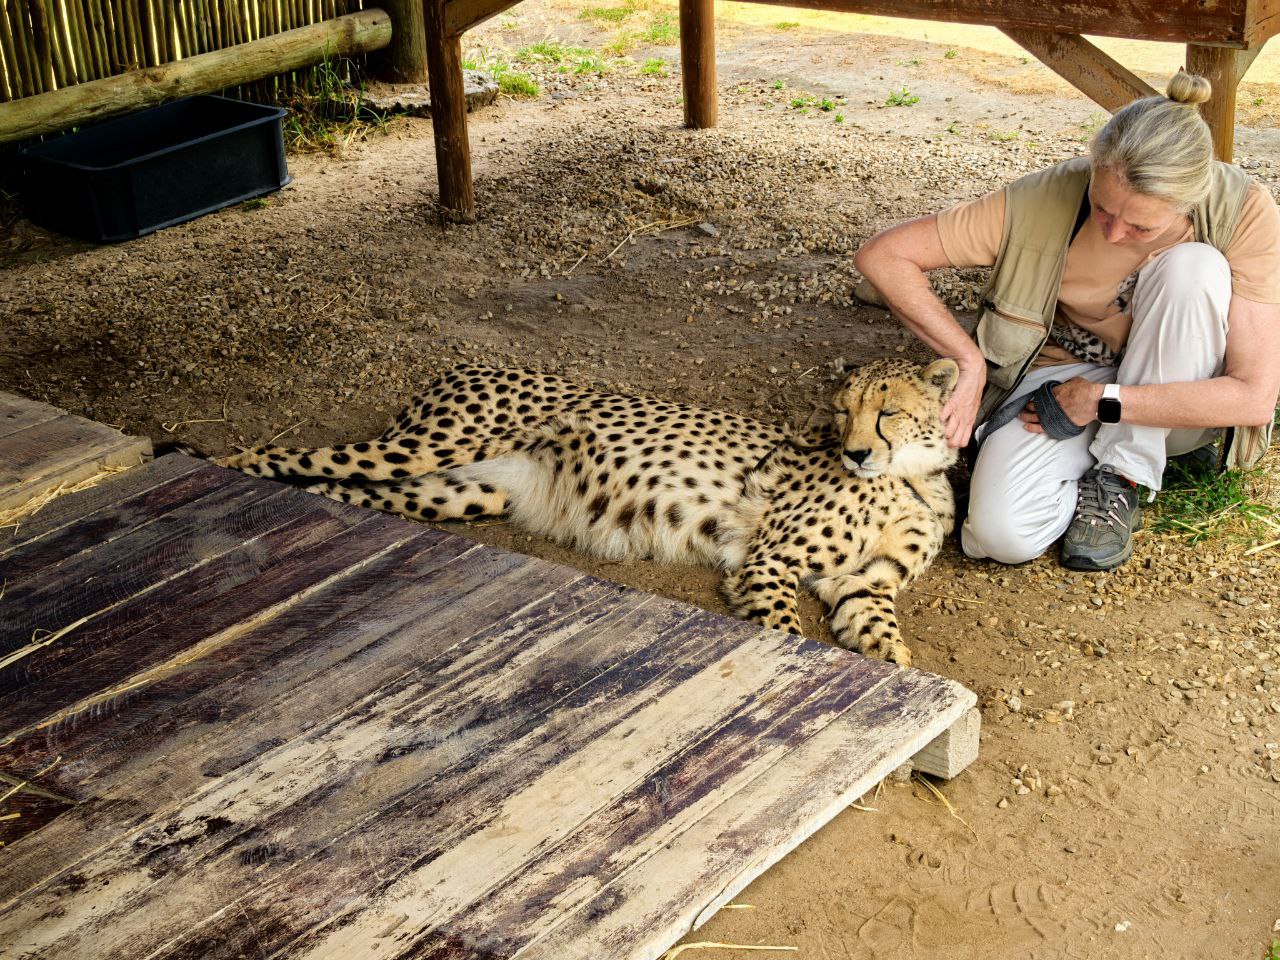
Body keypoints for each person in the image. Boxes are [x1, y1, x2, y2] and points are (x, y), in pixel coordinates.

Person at [853, 71, 1280, 572]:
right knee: (1001, 536)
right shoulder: (1047, 196)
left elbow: (1253, 397)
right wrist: (967, 361)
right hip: (1062, 385)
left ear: (1192, 198)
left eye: (1141, 225)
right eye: (1101, 208)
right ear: (1093, 168)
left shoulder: (1243, 209)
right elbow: (884, 257)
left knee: (1195, 267)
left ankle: (1122, 476)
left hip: (1176, 401)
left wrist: (1103, 402)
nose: (1115, 234)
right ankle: (1094, 461)